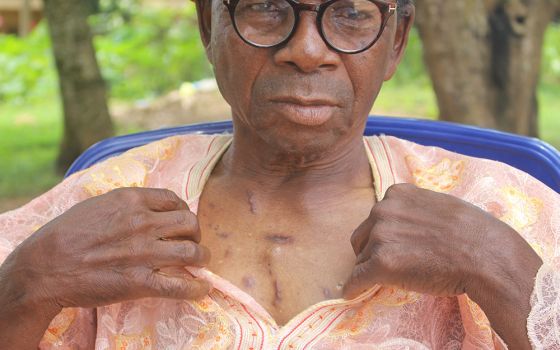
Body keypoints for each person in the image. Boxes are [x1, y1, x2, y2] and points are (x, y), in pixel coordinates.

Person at [0, 0, 559, 348]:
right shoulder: (96, 204)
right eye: (266, 7)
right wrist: (21, 289)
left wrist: (503, 273)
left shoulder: (501, 207)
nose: (308, 50)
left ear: (396, 41)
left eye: (351, 14)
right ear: (208, 22)